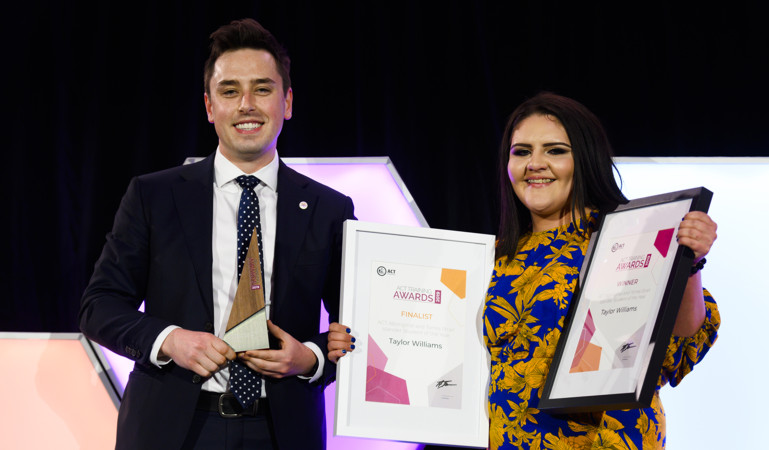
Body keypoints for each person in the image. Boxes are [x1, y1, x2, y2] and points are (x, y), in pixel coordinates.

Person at [327, 92, 720, 450]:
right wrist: (362, 343)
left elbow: (676, 350)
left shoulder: (624, 240)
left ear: (584, 159)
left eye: (555, 150)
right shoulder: (492, 259)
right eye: (521, 151)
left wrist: (689, 264)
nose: (535, 164)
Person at [79, 18, 355, 450]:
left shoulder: (330, 208)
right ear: (210, 107)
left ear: (287, 103)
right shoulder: (154, 196)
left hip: (282, 431)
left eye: (263, 89)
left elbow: (355, 328)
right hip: (172, 430)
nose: (247, 104)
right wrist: (170, 339)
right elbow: (99, 306)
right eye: (230, 91)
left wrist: (310, 358)